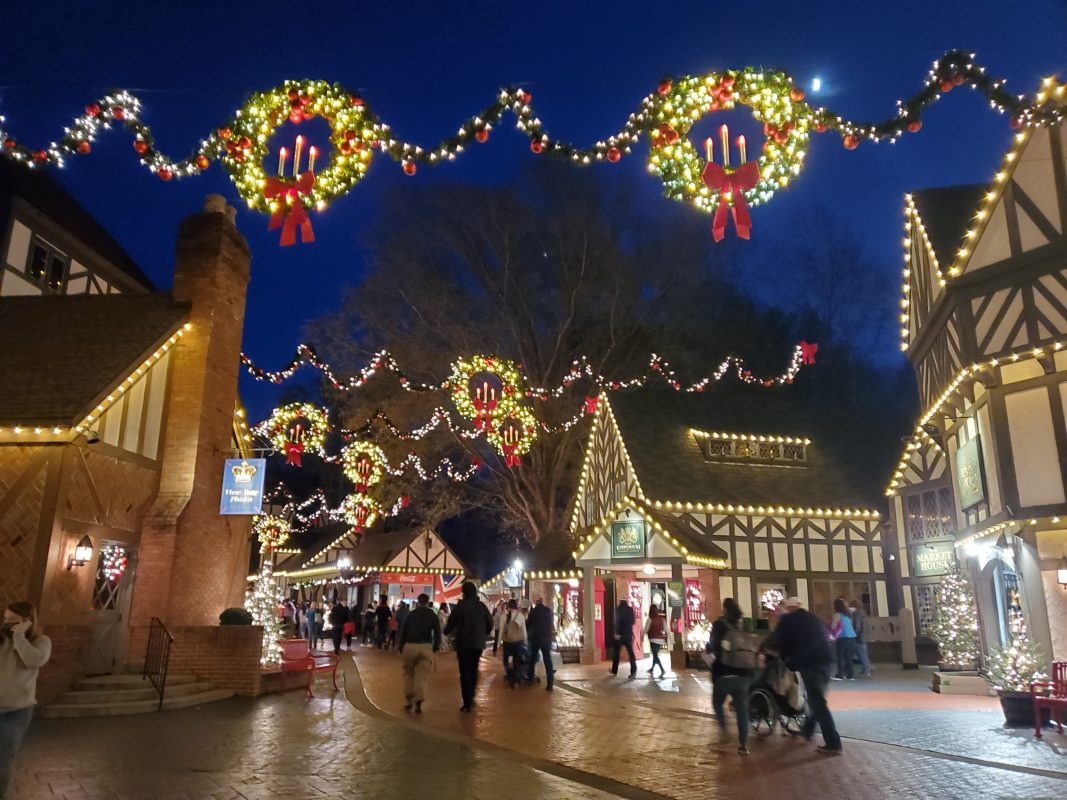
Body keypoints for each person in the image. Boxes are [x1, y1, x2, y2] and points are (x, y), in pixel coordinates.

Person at [765, 597, 842, 755]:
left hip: (810, 663)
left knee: (818, 702)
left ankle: (833, 743)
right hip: (827, 661)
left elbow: (776, 638)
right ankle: (807, 731)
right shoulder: (813, 618)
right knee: (816, 699)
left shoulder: (788, 620)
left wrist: (763, 648)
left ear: (789, 608)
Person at [1, 601, 52, 799]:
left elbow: (34, 661)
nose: (6, 624)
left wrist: (19, 637)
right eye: (5, 619)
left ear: (26, 621)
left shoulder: (41, 641)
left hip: (16, 711)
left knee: (2, 760)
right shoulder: (1, 640)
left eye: (12, 620)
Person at [710, 598, 757, 755]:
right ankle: (743, 745)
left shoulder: (719, 625)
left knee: (717, 702)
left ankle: (724, 729)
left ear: (724, 609)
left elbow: (713, 645)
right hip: (745, 673)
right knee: (742, 709)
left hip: (724, 672)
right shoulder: (744, 624)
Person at [443, 582, 492, 712]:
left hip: (463, 643)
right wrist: (483, 633)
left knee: (464, 672)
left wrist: (446, 632)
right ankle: (471, 696)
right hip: (477, 643)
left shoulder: (460, 607)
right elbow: (490, 623)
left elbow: (450, 624)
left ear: (463, 592)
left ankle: (467, 701)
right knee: (474, 670)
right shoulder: (481, 606)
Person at [399, 594, 441, 714]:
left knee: (408, 674)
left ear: (418, 602)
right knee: (421, 677)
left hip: (410, 646)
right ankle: (418, 702)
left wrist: (401, 647)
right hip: (425, 646)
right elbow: (437, 634)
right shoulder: (432, 615)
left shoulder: (411, 615)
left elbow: (404, 631)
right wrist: (435, 648)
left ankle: (408, 699)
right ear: (428, 603)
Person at [526, 597, 555, 690]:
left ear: (537, 603)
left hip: (536, 638)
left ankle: (530, 679)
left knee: (532, 658)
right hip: (546, 638)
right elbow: (551, 624)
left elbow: (528, 624)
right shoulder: (548, 611)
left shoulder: (533, 611)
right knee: (547, 660)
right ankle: (550, 683)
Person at [500, 599, 527, 687]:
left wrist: (498, 642)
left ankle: (510, 675)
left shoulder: (504, 616)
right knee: (516, 660)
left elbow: (501, 630)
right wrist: (525, 641)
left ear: (508, 607)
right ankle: (515, 679)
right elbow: (524, 630)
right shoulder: (520, 616)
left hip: (507, 642)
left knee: (505, 660)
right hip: (518, 642)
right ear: (516, 606)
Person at [830, 598, 857, 681]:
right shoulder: (848, 614)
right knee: (849, 657)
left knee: (840, 657)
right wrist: (846, 606)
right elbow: (854, 609)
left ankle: (840, 675)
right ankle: (850, 675)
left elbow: (833, 626)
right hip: (852, 637)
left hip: (842, 637)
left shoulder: (837, 615)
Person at [610, 599, 637, 678]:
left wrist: (616, 632)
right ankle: (633, 670)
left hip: (620, 635)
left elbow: (616, 622)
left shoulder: (618, 609)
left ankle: (614, 670)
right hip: (628, 634)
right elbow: (633, 621)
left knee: (616, 653)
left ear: (620, 601)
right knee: (631, 653)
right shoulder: (630, 609)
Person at [644, 604, 668, 679]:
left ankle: (662, 670)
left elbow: (646, 629)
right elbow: (666, 629)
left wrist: (642, 636)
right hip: (660, 640)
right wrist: (669, 637)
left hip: (653, 640)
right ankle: (652, 669)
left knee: (655, 655)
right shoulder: (662, 619)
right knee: (655, 655)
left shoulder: (650, 619)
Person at [849, 599, 872, 677]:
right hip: (863, 636)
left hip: (859, 637)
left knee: (862, 654)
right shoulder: (862, 612)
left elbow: (858, 625)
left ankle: (867, 669)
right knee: (862, 654)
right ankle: (865, 669)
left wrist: (854, 634)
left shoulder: (857, 613)